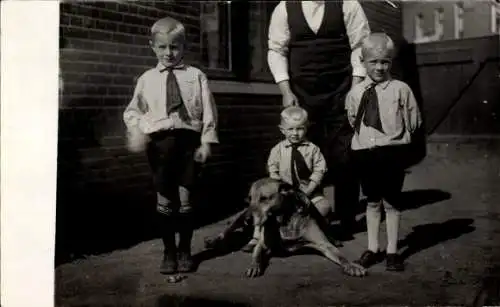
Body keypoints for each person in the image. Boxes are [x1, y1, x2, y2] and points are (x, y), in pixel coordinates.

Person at [267, 1, 371, 240]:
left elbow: (360, 46)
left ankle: (346, 219)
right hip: (301, 93)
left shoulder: (348, 5)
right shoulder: (285, 8)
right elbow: (276, 50)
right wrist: (285, 90)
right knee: (303, 155)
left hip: (341, 91)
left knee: (346, 154)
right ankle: (311, 219)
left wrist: (354, 88)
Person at [123, 17, 218, 274]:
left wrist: (207, 143)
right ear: (152, 46)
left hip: (189, 143)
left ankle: (185, 250)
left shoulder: (196, 76)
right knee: (164, 199)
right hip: (160, 145)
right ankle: (169, 252)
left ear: (183, 46)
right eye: (162, 47)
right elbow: (132, 112)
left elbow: (209, 112)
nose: (169, 53)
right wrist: (141, 129)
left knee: (186, 200)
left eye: (174, 47)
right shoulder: (147, 79)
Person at [345, 33, 422, 271]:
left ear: (391, 62)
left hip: (392, 153)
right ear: (363, 61)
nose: (379, 67)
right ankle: (372, 248)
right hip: (366, 153)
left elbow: (413, 120)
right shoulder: (356, 92)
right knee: (372, 201)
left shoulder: (401, 89)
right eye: (374, 62)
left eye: (385, 62)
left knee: (392, 202)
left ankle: (392, 251)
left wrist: (394, 137)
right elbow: (352, 119)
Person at [242, 106, 331, 252]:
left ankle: (317, 235)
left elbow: (320, 169)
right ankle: (257, 236)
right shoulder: (277, 150)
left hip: (308, 190)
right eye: (290, 129)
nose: (295, 133)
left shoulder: (313, 149)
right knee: (263, 208)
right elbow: (273, 171)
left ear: (306, 128)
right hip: (285, 193)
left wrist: (310, 187)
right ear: (282, 130)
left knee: (324, 207)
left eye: (300, 129)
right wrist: (279, 187)